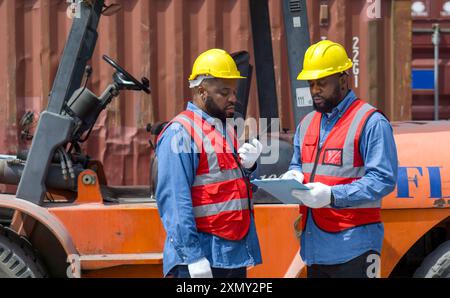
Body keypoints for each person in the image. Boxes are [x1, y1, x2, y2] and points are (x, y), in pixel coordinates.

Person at [282, 40, 398, 278]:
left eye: (322, 83)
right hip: (314, 247)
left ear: (343, 81)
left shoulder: (371, 122)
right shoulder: (306, 125)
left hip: (354, 247)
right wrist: (293, 174)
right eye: (311, 83)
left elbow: (383, 179)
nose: (315, 90)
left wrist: (333, 196)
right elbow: (297, 163)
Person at [155, 49, 263, 278]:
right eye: (225, 92)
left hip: (230, 257)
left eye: (234, 91)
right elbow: (174, 201)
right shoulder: (180, 133)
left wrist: (250, 168)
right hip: (201, 261)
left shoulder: (225, 129)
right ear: (202, 91)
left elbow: (227, 188)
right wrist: (192, 258)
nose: (234, 98)